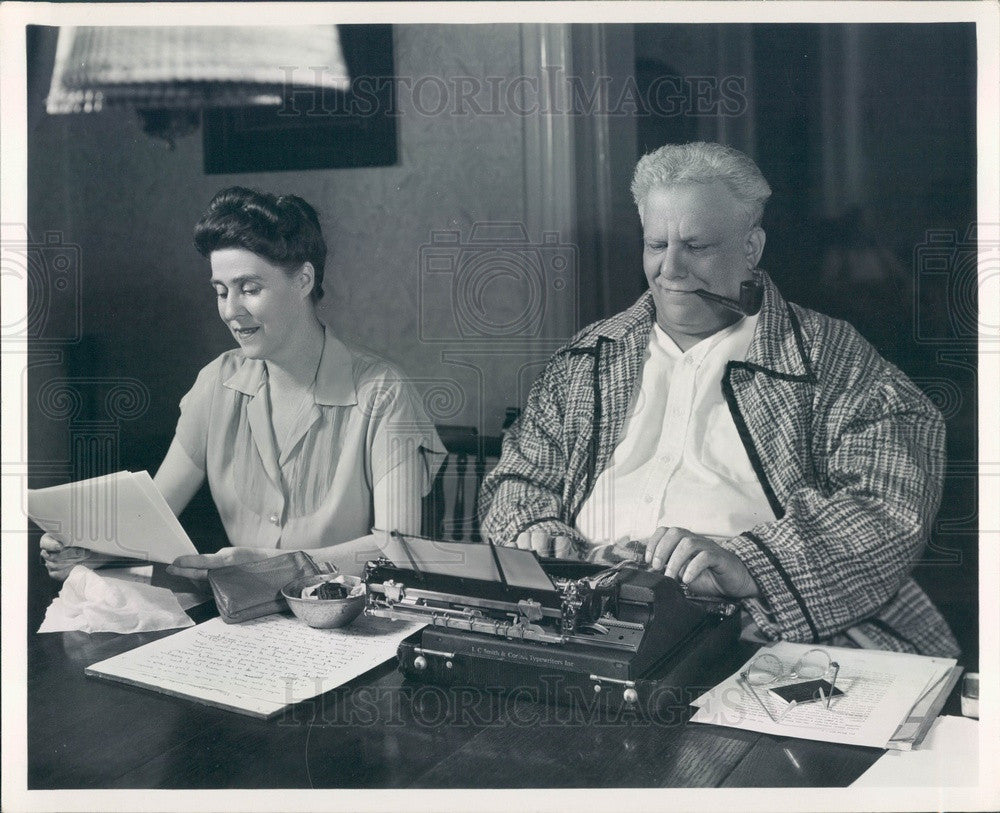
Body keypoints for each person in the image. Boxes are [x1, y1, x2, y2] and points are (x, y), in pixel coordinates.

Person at [479, 141, 959, 658]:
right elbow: (517, 480)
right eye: (656, 245)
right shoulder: (586, 359)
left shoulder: (833, 359)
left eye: (696, 246)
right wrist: (535, 530)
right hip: (584, 623)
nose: (671, 270)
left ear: (751, 249)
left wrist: (749, 564)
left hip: (760, 633)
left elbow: (889, 505)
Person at [42, 187, 444, 581]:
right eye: (221, 291)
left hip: (350, 620)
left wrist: (276, 563)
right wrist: (88, 550)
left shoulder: (383, 392)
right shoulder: (216, 382)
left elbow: (397, 551)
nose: (231, 311)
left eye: (250, 289)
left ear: (304, 279)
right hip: (241, 621)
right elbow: (153, 514)